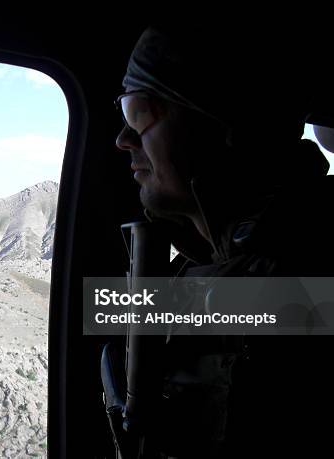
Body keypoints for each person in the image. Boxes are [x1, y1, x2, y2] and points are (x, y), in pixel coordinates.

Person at [113, 24, 334, 458]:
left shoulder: (306, 270)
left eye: (139, 113)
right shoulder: (212, 264)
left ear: (225, 125)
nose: (122, 140)